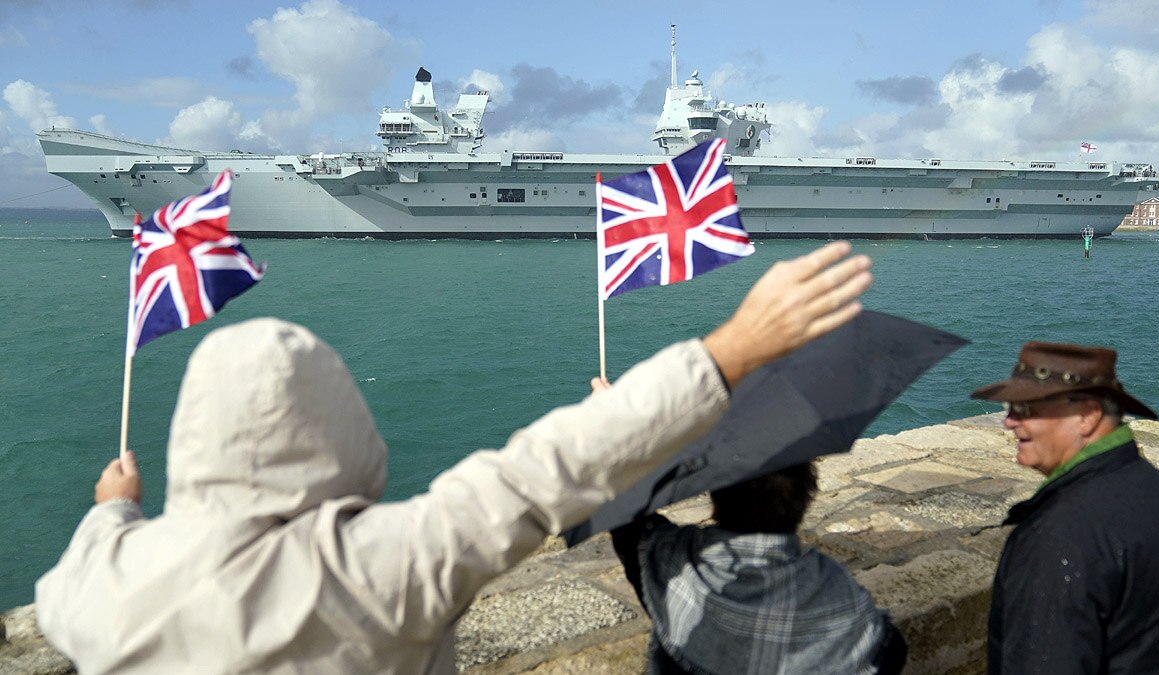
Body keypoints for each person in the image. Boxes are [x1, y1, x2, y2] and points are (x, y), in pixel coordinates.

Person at [35, 241, 873, 674]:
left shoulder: (100, 580)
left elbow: (58, 593)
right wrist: (733, 347)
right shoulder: (381, 565)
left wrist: (113, 510)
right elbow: (544, 469)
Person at [971, 341, 1159, 674]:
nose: (1008, 421)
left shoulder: (1057, 536)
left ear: (1087, 416)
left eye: (1026, 408)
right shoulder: (1150, 486)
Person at [609, 460, 906, 674]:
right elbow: (889, 649)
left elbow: (626, 518)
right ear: (804, 503)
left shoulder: (672, 560)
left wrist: (624, 442)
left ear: (714, 501)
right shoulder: (837, 589)